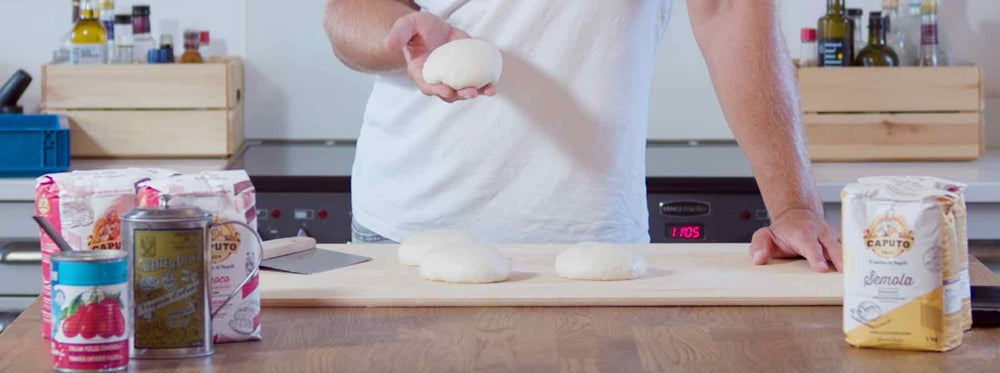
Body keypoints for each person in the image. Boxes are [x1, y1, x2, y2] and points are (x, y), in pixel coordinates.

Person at [323, 0, 843, 273]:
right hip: (406, 228)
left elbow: (728, 7)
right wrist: (404, 38)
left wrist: (795, 208)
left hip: (596, 239)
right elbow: (348, 8)